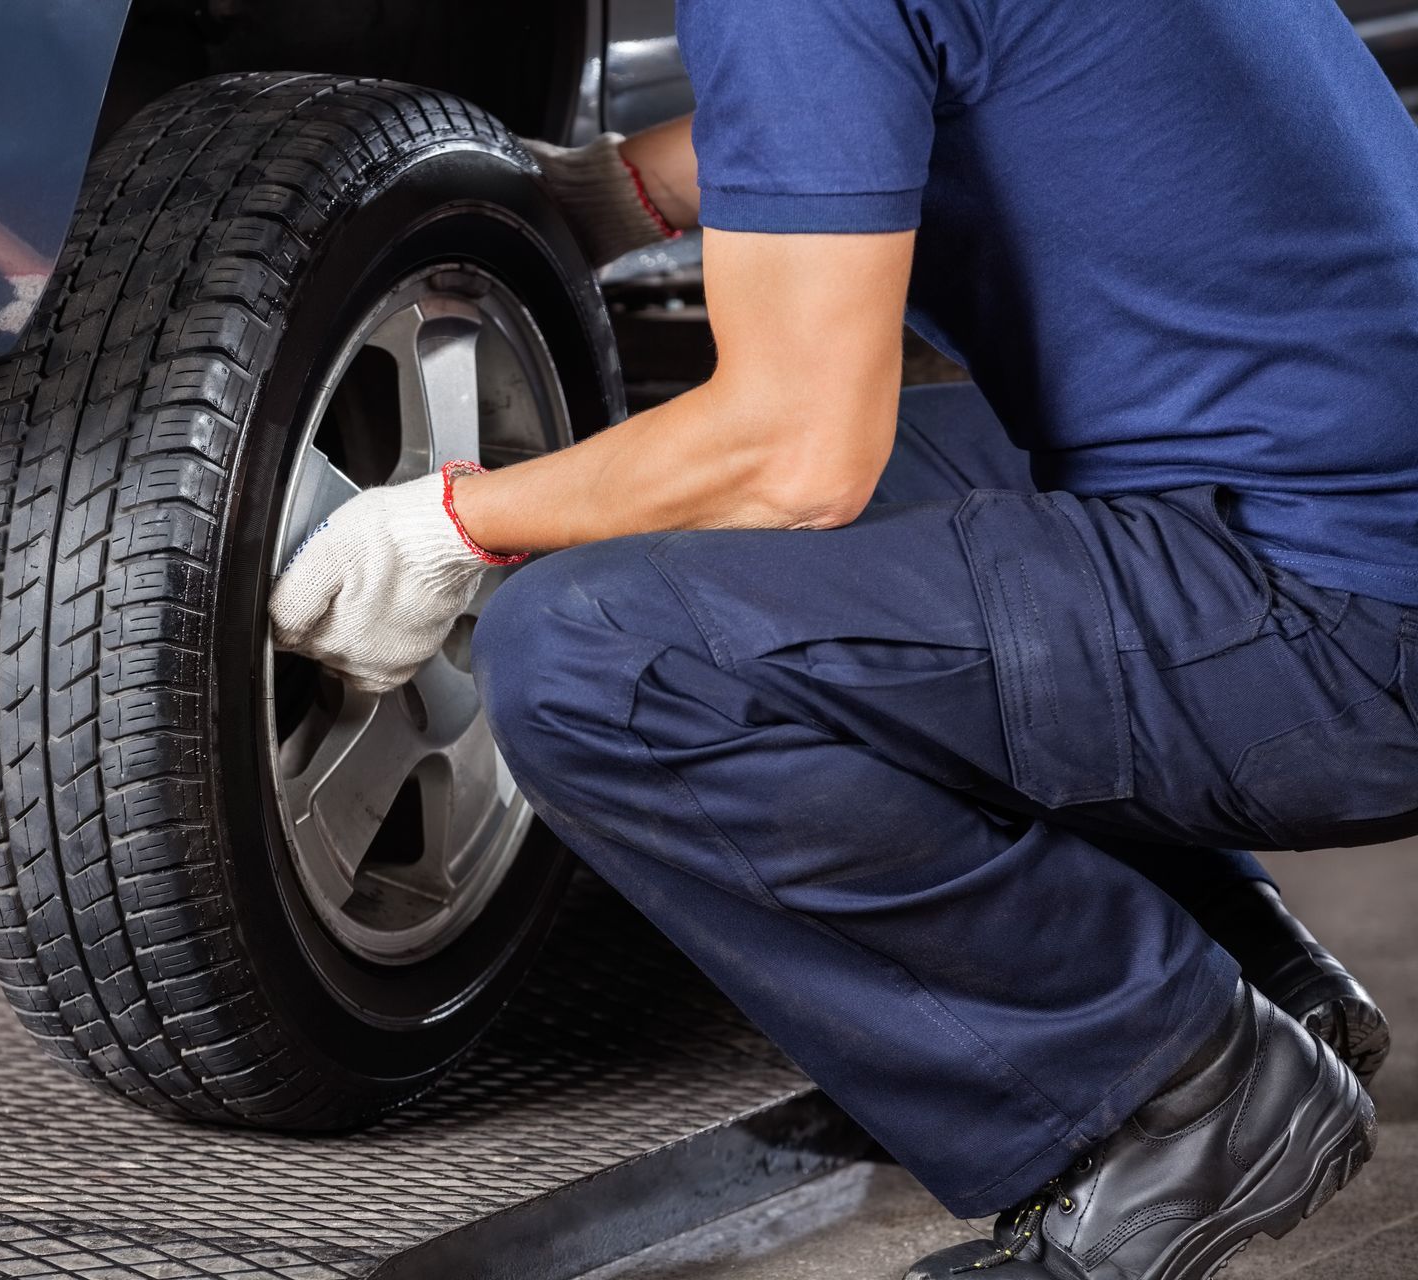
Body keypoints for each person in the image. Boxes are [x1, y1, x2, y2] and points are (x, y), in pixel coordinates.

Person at [269, 3, 1418, 1276]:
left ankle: (1181, 1093)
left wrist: (450, 525)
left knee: (601, 650)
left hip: (1338, 626)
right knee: (694, 533)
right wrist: (622, 191)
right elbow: (906, 78)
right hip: (1324, 509)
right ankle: (1245, 958)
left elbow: (793, 454)